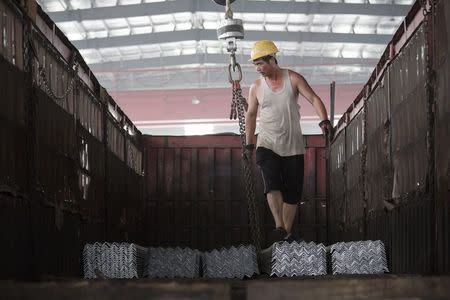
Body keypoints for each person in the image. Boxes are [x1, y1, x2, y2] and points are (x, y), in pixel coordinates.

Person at [244, 40, 333, 243]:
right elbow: (250, 115)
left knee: (293, 192)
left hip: (293, 145)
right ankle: (279, 226)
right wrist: (249, 143)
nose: (258, 69)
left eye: (261, 64)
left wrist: (324, 120)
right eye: (255, 65)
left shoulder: (293, 78)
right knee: (272, 184)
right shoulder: (256, 87)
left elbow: (314, 99)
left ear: (272, 59)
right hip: (267, 143)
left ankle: (285, 233)